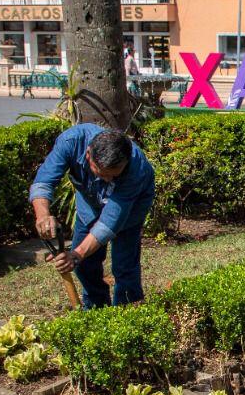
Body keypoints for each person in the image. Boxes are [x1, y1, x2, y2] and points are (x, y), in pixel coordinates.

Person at [29, 124, 155, 307]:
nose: (109, 181)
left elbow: (110, 222)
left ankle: (127, 313)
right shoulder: (70, 142)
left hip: (131, 208)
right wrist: (42, 215)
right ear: (88, 155)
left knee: (124, 266)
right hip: (89, 205)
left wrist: (76, 254)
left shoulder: (136, 167)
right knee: (85, 266)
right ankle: (97, 310)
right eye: (103, 174)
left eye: (114, 176)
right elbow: (43, 183)